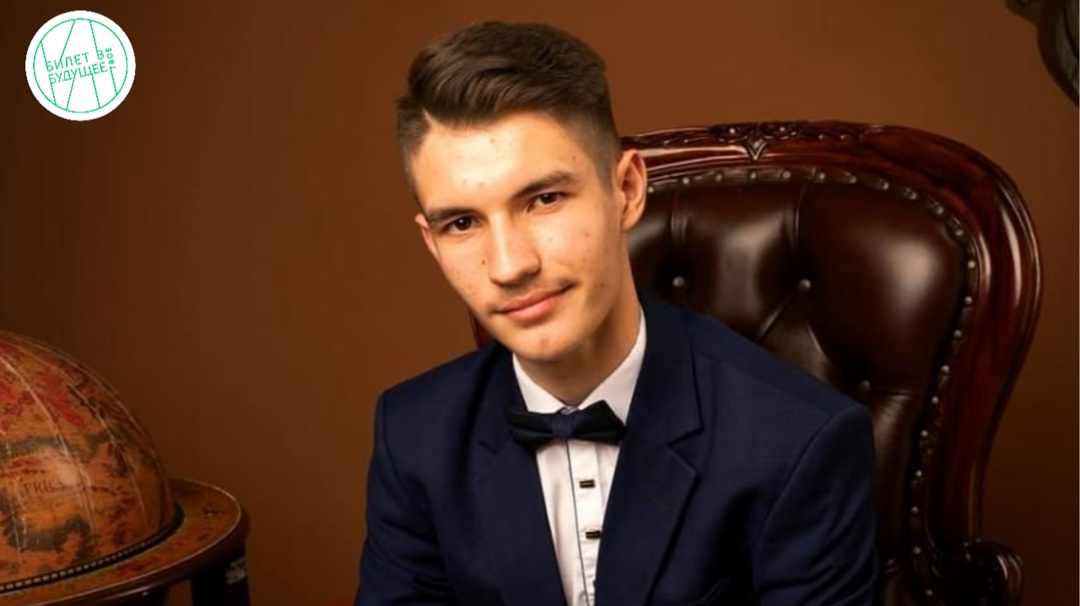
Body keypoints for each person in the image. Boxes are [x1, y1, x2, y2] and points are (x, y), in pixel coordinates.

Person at [355, 21, 877, 606]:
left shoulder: (801, 441)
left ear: (626, 189)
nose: (509, 265)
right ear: (431, 243)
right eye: (462, 223)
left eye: (544, 199)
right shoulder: (413, 434)